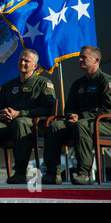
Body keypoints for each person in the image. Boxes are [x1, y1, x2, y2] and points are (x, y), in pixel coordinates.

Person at [0, 49, 56, 184]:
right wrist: (1, 114)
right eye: (21, 60)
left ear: (35, 66)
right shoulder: (9, 85)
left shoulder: (43, 83)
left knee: (21, 122)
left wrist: (19, 114)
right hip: (8, 124)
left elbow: (48, 109)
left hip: (34, 126)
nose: (23, 63)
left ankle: (19, 172)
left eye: (27, 61)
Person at [42, 46, 111, 185]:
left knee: (81, 126)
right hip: (80, 122)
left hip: (104, 124)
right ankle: (52, 173)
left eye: (83, 57)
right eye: (80, 56)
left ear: (96, 60)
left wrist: (81, 117)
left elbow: (108, 109)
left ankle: (84, 173)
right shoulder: (77, 84)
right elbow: (70, 106)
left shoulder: (105, 81)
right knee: (55, 126)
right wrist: (71, 116)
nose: (79, 59)